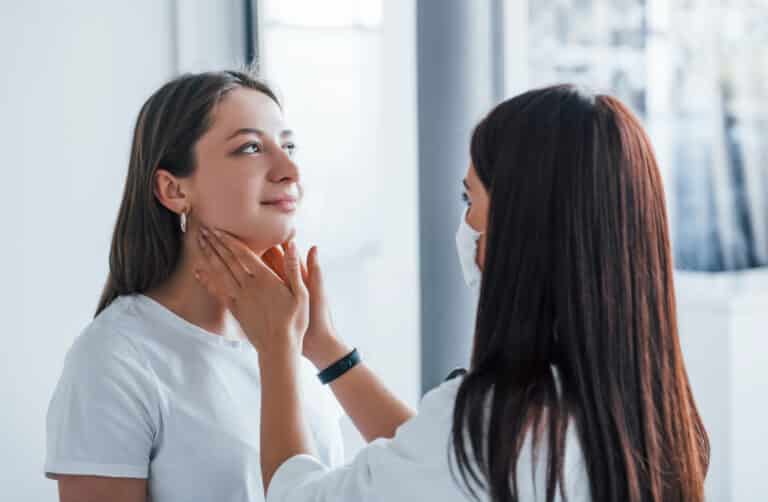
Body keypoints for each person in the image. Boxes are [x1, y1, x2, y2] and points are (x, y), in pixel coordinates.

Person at [195, 85, 710, 502]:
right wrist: (324, 348)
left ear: (519, 228)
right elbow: (443, 470)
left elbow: (304, 497)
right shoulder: (650, 409)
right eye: (249, 147)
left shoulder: (496, 427)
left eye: (471, 197)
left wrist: (277, 349)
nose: (465, 221)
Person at [44, 70, 352, 502]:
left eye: (288, 146)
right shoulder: (116, 358)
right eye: (250, 147)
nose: (290, 170)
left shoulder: (298, 339)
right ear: (173, 189)